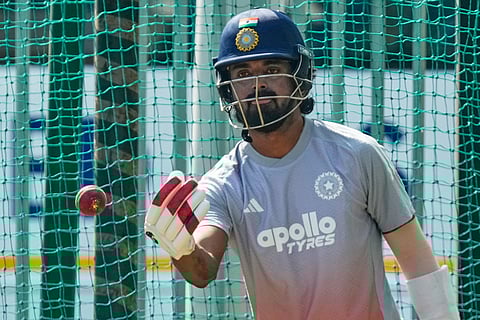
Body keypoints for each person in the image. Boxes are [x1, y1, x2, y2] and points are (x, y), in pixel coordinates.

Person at [145, 8, 460, 320]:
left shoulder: (358, 153)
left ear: (300, 76)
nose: (257, 85)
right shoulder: (224, 182)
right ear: (228, 91)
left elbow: (418, 262)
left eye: (271, 68)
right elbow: (202, 270)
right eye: (242, 75)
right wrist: (180, 248)